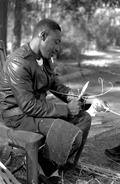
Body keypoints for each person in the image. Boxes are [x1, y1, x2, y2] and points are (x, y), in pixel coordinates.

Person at [0, 19, 107, 184]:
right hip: (19, 117)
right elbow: (28, 105)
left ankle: (57, 166)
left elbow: (58, 87)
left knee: (84, 118)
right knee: (71, 135)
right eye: (56, 42)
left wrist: (90, 100)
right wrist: (65, 110)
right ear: (42, 35)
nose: (58, 48)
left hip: (36, 113)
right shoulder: (18, 62)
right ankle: (47, 169)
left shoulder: (44, 60)